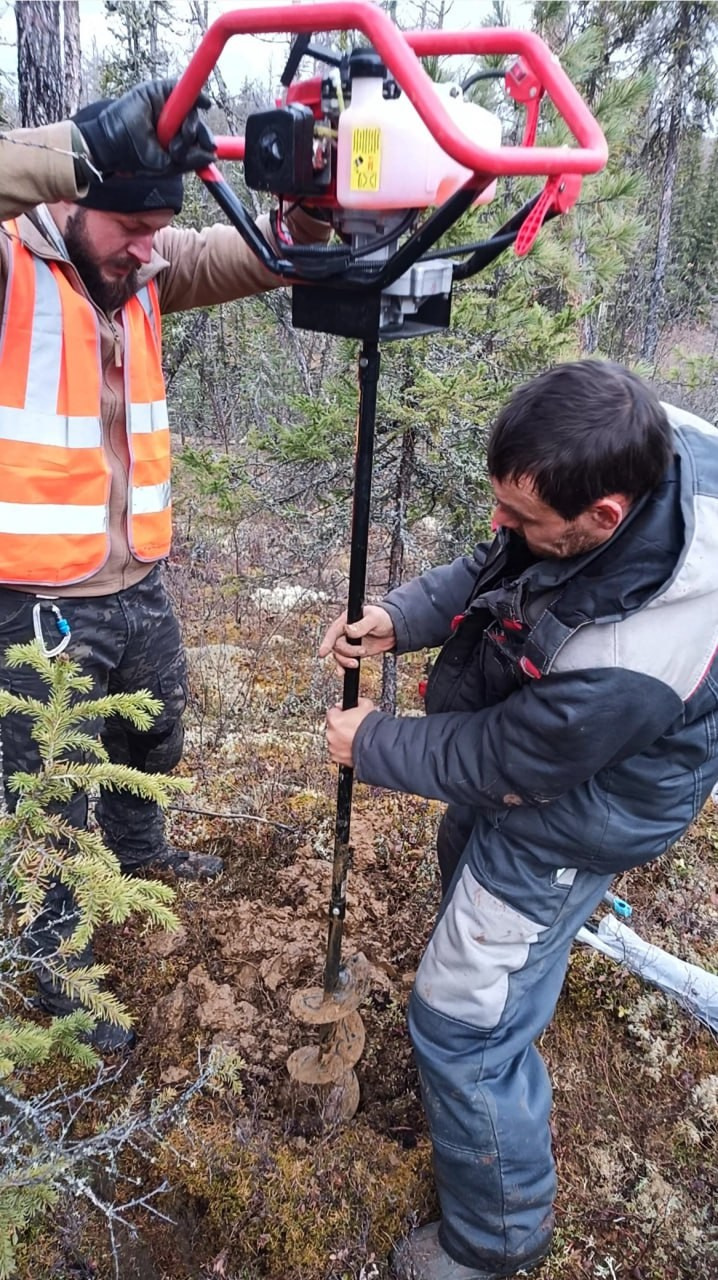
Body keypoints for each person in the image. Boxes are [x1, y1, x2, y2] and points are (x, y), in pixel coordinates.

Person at [320, 360, 718, 1280]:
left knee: (462, 1022)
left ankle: (497, 1236)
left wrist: (371, 743)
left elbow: (513, 761)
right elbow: (504, 563)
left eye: (525, 518)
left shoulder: (634, 649)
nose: (501, 525)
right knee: (466, 858)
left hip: (587, 806)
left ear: (605, 519)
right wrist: (400, 616)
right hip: (559, 756)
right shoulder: (627, 451)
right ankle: (505, 975)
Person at [0, 80, 329, 1052]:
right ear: (75, 198)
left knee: (156, 741)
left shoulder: (141, 265)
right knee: (50, 790)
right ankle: (56, 964)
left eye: (159, 229)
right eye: (133, 226)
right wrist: (73, 148)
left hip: (138, 581)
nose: (149, 248)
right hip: (33, 598)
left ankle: (145, 860)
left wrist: (307, 220)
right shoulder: (14, 259)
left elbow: (245, 257)